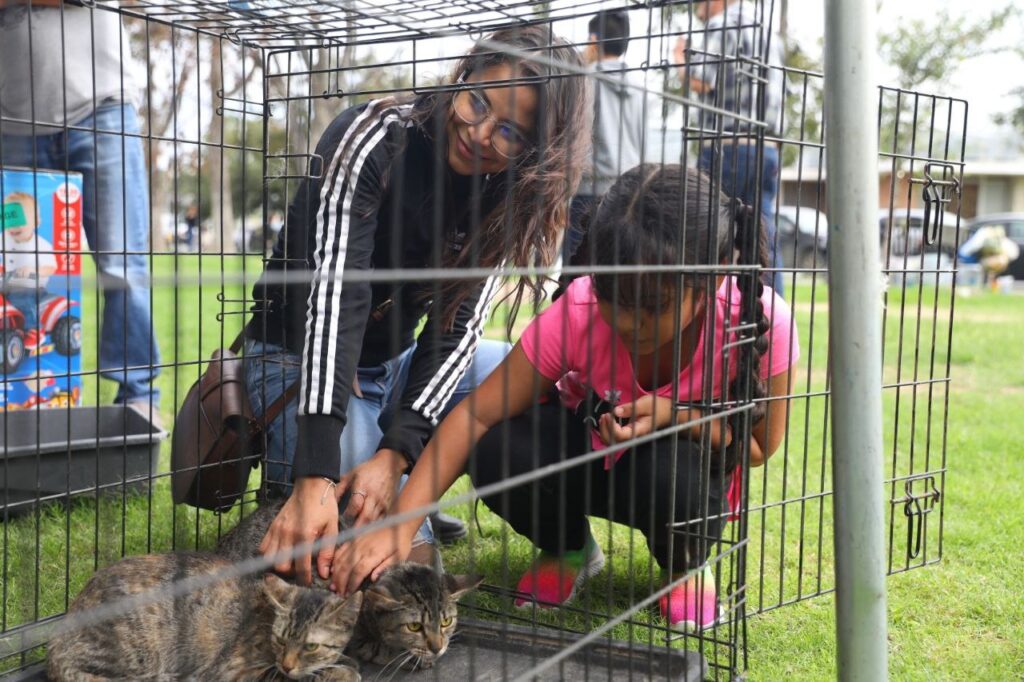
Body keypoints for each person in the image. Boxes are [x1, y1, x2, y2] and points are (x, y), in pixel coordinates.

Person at [333, 164, 799, 632]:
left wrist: (672, 416)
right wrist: (398, 526)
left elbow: (757, 448)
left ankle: (684, 566)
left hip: (678, 476)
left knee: (670, 472)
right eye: (612, 295)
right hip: (588, 457)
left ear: (710, 281)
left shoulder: (760, 322)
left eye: (653, 305)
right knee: (496, 444)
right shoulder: (579, 310)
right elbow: (474, 415)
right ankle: (567, 545)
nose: (628, 322)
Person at [250, 26, 590, 583]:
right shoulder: (374, 137)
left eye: (508, 131)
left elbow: (456, 332)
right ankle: (381, 498)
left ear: (535, 152)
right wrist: (315, 473)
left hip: (391, 365)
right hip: (298, 354)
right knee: (373, 559)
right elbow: (338, 296)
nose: (479, 132)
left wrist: (395, 456)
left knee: (519, 375)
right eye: (477, 100)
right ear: (465, 75)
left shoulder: (509, 196)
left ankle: (566, 540)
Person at [0, 0, 161, 415]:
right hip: (12, 119)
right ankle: (25, 396)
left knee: (122, 264)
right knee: (14, 271)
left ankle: (138, 397)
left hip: (101, 109)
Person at [675, 0, 786, 296]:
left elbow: (701, 80)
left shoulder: (721, 24)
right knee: (762, 238)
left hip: (727, 146)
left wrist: (679, 61)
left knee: (708, 232)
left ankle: (706, 310)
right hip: (766, 148)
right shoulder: (767, 29)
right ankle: (772, 315)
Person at [564, 9, 647, 264]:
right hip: (630, 192)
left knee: (575, 273)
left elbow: (575, 137)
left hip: (590, 191)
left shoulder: (586, 79)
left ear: (592, 40)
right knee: (616, 275)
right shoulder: (639, 85)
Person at [0, 191, 55, 350]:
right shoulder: (4, 238)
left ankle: (34, 330)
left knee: (21, 298)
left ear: (36, 221)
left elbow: (51, 268)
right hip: (8, 280)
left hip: (31, 286)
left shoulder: (42, 245)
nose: (13, 225)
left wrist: (33, 270)